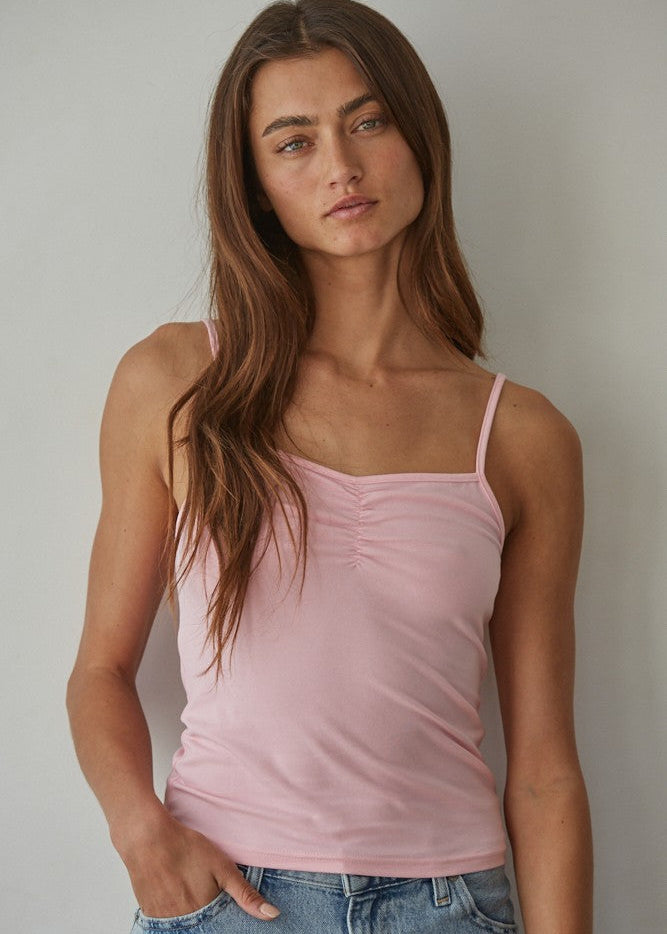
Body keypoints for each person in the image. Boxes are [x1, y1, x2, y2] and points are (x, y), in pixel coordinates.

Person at [66, 1, 593, 931]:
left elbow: (545, 772)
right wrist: (140, 832)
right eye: (294, 141)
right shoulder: (176, 381)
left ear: (418, 134)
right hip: (229, 897)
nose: (340, 167)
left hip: (450, 906)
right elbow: (100, 671)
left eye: (367, 121)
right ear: (255, 185)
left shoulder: (521, 436)